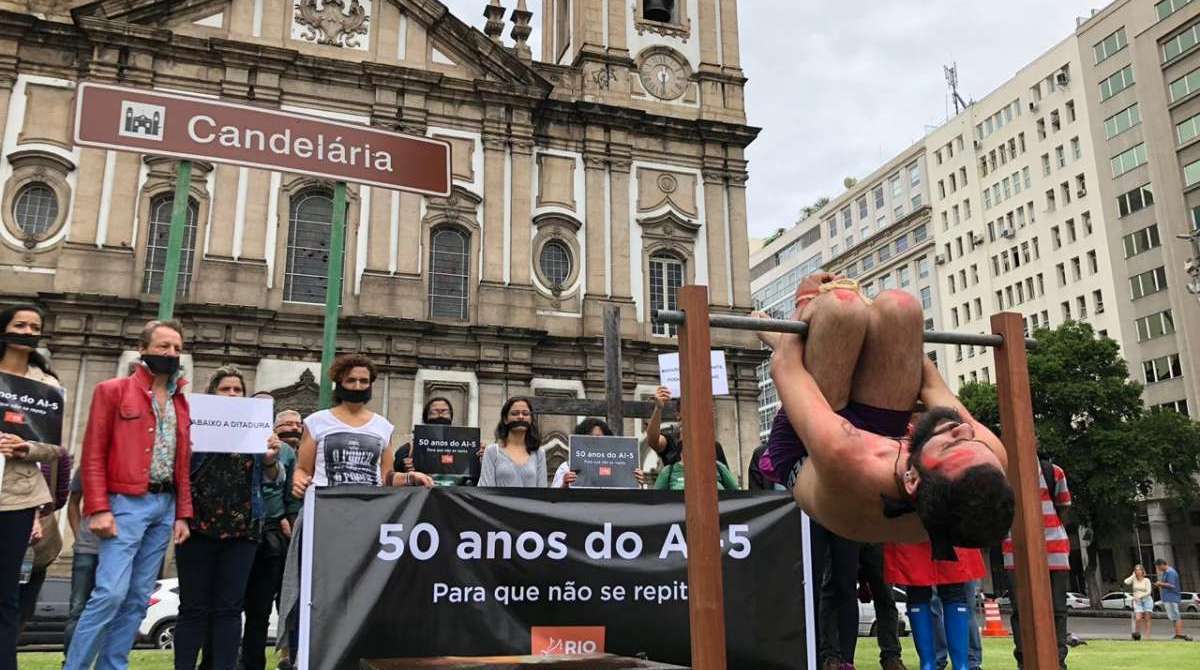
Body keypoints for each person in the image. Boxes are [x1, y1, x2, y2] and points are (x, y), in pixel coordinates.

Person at [767, 274, 1012, 670]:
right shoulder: (985, 458)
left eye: (950, 444)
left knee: (840, 307)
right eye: (967, 440)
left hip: (808, 449)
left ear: (913, 479)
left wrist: (810, 303)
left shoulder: (849, 457)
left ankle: (828, 306)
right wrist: (888, 336)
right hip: (877, 435)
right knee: (902, 308)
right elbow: (930, 382)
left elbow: (785, 365)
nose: (963, 429)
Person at [66, 319, 194, 670]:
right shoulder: (113, 390)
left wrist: (182, 513)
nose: (171, 353)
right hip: (124, 503)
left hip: (164, 505)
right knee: (109, 593)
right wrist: (98, 508)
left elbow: (182, 460)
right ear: (144, 349)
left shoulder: (182, 401)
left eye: (177, 348)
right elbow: (93, 453)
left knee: (139, 597)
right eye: (163, 346)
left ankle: (113, 666)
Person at [174, 366, 273, 670]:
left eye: (237, 390)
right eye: (225, 389)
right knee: (192, 608)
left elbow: (269, 477)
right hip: (197, 528)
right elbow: (180, 474)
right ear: (213, 393)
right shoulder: (193, 426)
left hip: (243, 531)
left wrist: (270, 461)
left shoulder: (256, 431)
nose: (232, 394)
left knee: (230, 609)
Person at [0, 304, 68, 670]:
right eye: (19, 324)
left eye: (34, 327)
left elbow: (55, 447)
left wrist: (26, 448)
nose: (27, 332)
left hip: (18, 497)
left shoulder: (48, 386)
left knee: (7, 593)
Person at [241, 409, 304, 670]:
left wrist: (288, 517)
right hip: (253, 530)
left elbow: (290, 492)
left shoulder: (290, 455)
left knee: (288, 602)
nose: (292, 428)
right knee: (252, 605)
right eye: (285, 423)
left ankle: (290, 657)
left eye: (296, 424)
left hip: (281, 534)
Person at [1004, 459, 1072, 668]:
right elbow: (1063, 506)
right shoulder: (1001, 472)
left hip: (1050, 548)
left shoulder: (1053, 472)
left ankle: (1056, 662)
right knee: (1021, 609)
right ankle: (1026, 661)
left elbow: (1063, 504)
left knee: (1057, 609)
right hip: (1018, 548)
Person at [63, 468, 99, 660]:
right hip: (87, 548)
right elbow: (73, 502)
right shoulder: (87, 467)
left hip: (120, 549)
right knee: (77, 608)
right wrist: (78, 537)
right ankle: (70, 661)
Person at [550, 418, 648, 489]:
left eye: (599, 438)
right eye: (589, 438)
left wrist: (640, 484)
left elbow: (633, 500)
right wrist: (565, 485)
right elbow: (554, 501)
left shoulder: (620, 467)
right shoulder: (567, 468)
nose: (595, 442)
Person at [478, 397, 547, 488]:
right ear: (505, 419)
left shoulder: (539, 453)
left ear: (531, 419)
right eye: (515, 413)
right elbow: (485, 489)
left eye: (525, 414)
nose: (521, 417)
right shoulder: (492, 451)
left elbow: (542, 491)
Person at [1155, 558, 1193, 641]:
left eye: (1158, 567)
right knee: (1173, 617)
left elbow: (1172, 585)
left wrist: (1160, 584)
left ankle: (1179, 634)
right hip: (1168, 597)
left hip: (1171, 597)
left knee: (1176, 616)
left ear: (1161, 565)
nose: (1158, 569)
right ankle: (1177, 634)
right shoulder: (1166, 572)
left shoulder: (1170, 572)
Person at [1125, 564, 1153, 640]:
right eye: (1136, 570)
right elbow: (1126, 582)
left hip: (1146, 600)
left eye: (1139, 570)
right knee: (1138, 618)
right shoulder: (1134, 579)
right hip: (1137, 602)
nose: (1138, 571)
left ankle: (1147, 636)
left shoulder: (1146, 580)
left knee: (1147, 618)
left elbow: (1148, 591)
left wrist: (1139, 596)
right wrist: (1132, 575)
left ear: (1142, 571)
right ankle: (1137, 635)